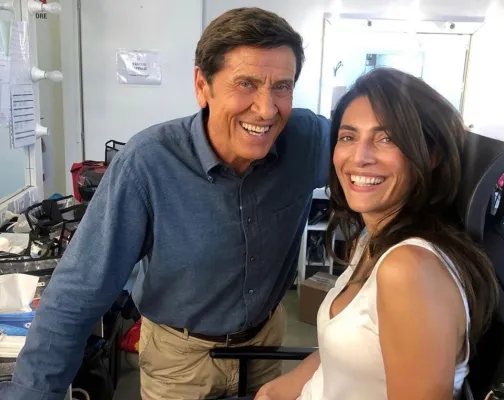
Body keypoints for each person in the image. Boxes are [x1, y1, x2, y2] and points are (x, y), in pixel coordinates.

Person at [0, 7, 330, 400]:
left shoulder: (306, 140)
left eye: (282, 87)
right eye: (246, 84)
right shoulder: (148, 163)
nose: (266, 108)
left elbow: (381, 161)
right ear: (202, 85)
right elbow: (79, 290)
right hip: (180, 361)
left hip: (264, 347)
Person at [256, 68, 499, 400]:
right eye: (348, 137)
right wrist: (276, 391)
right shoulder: (373, 239)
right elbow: (347, 353)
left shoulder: (409, 270)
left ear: (431, 155)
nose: (360, 157)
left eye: (387, 139)